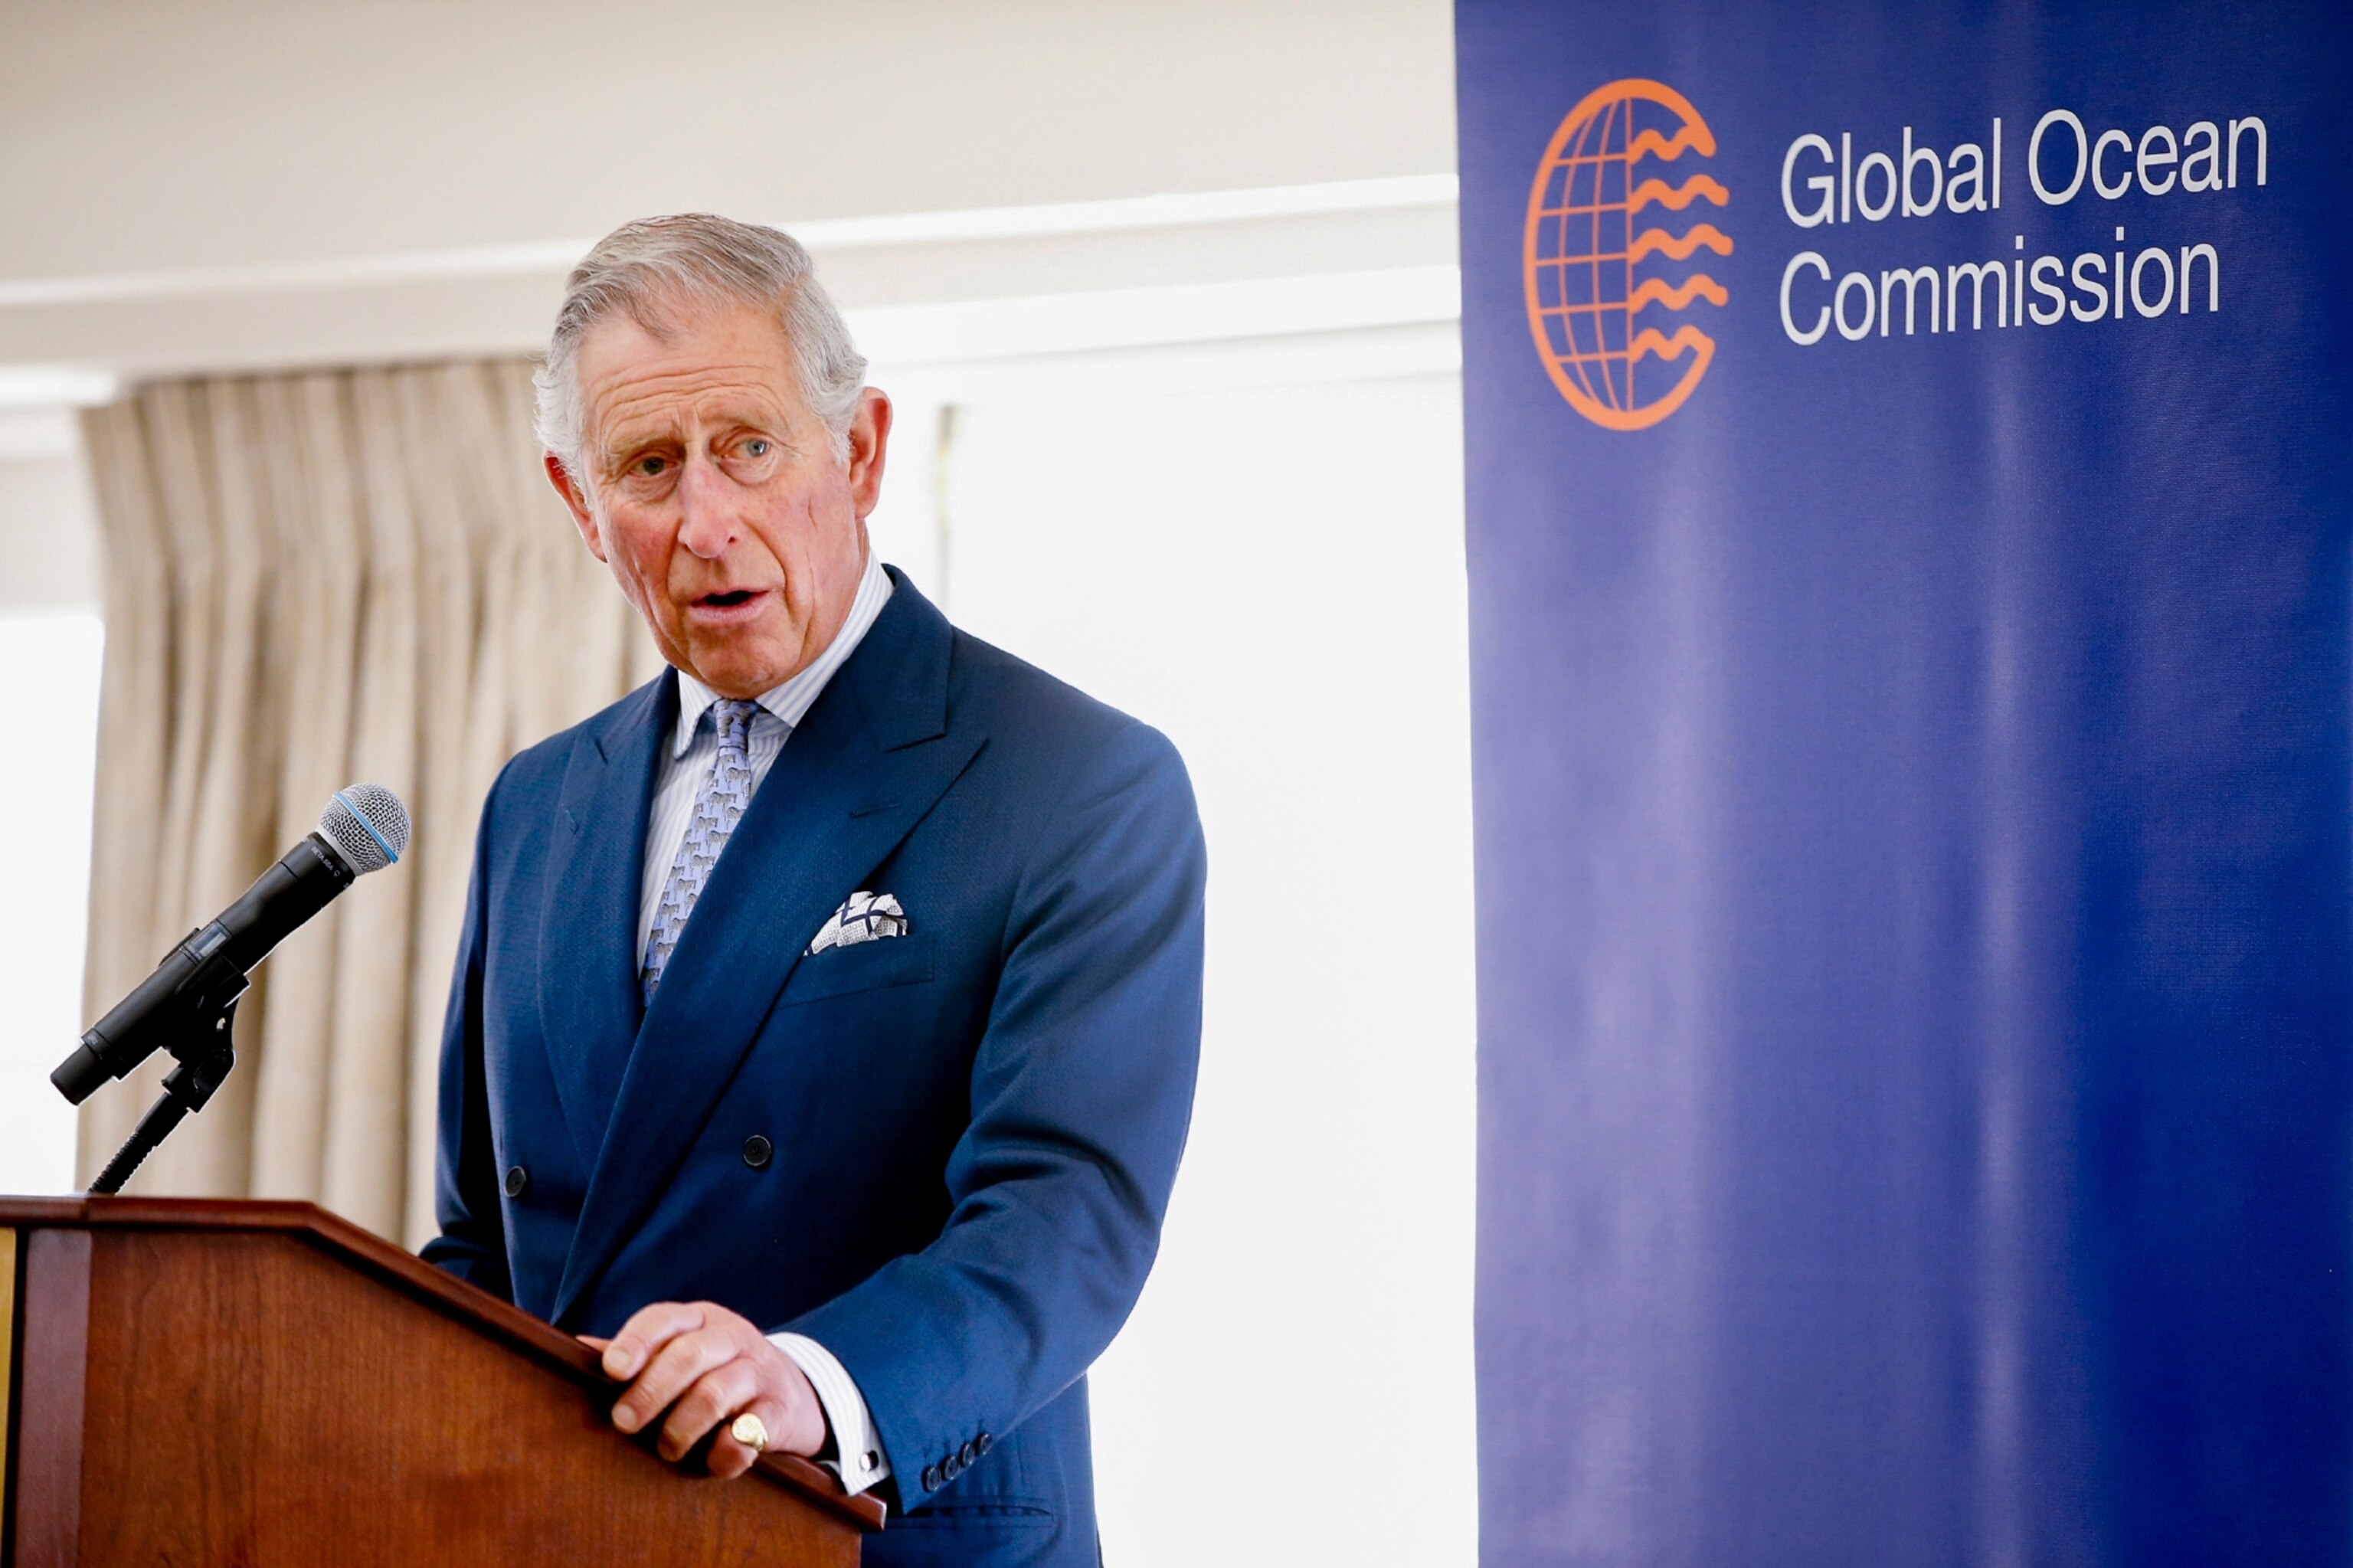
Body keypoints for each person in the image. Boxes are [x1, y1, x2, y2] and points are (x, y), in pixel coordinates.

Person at [422, 213, 1206, 1568]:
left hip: (886, 1536)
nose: (705, 520)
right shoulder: (534, 805)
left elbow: (1062, 1218)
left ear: (862, 449)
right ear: (578, 504)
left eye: (750, 447)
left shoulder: (1079, 779)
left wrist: (806, 1383)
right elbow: (483, 1241)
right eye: (649, 466)